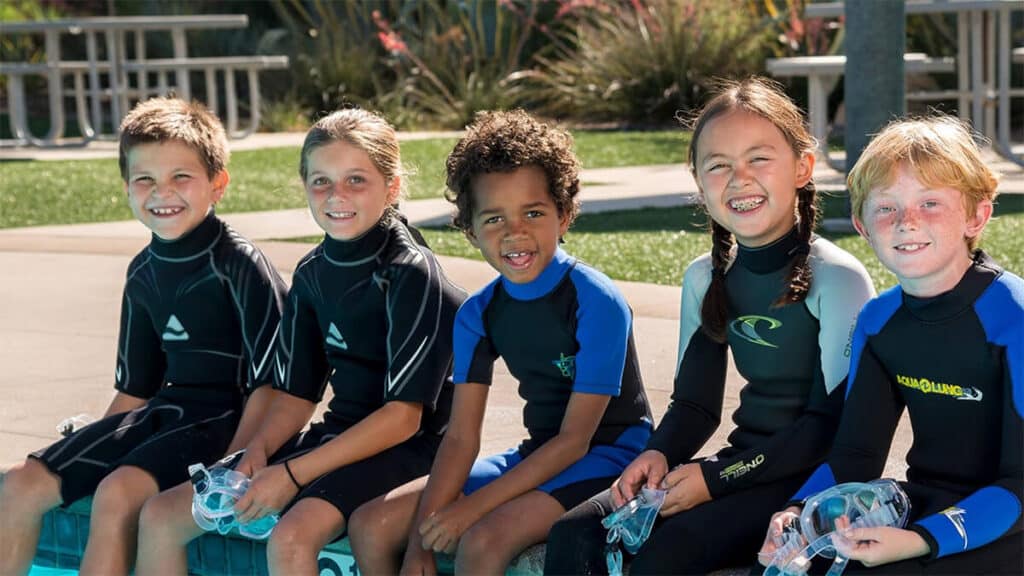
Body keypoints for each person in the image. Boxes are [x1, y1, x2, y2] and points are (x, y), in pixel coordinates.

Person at [544, 77, 876, 575]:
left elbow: (829, 427)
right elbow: (695, 406)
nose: (739, 178)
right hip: (741, 466)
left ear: (803, 167)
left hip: (810, 480)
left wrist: (715, 480)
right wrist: (659, 453)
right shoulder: (706, 277)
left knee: (667, 553)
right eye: (718, 166)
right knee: (575, 532)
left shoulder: (837, 279)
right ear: (701, 184)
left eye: (758, 159)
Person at [134, 107, 466, 576]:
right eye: (321, 182)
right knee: (163, 515)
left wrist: (290, 475)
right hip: (339, 435)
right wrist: (260, 451)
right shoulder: (313, 273)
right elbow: (296, 394)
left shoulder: (410, 275)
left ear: (391, 188)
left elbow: (403, 419)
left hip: (411, 450)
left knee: (291, 535)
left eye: (356, 181)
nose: (336, 196)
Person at [347, 109, 653, 575]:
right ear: (470, 230)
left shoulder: (596, 301)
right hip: (538, 452)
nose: (514, 232)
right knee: (372, 524)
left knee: (484, 539)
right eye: (493, 218)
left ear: (564, 214)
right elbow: (462, 437)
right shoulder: (478, 314)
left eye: (533, 212)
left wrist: (471, 509)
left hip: (609, 457)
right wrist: (418, 544)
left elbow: (575, 442)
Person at [0, 97, 287, 576]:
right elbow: (136, 389)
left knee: (117, 493)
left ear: (218, 184)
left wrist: (232, 466)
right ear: (128, 189)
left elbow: (271, 386)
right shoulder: (143, 273)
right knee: (20, 484)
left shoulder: (239, 266)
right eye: (145, 180)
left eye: (181, 177)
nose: (162, 193)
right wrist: (97, 444)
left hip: (225, 419)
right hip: (166, 415)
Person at [758, 116, 1023, 574]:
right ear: (863, 226)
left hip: (1009, 518)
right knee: (797, 562)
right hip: (926, 501)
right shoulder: (879, 322)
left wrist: (919, 539)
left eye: (931, 202)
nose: (907, 222)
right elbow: (856, 455)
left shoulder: (1013, 318)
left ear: (977, 215)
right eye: (886, 208)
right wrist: (801, 511)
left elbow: (1022, 482)